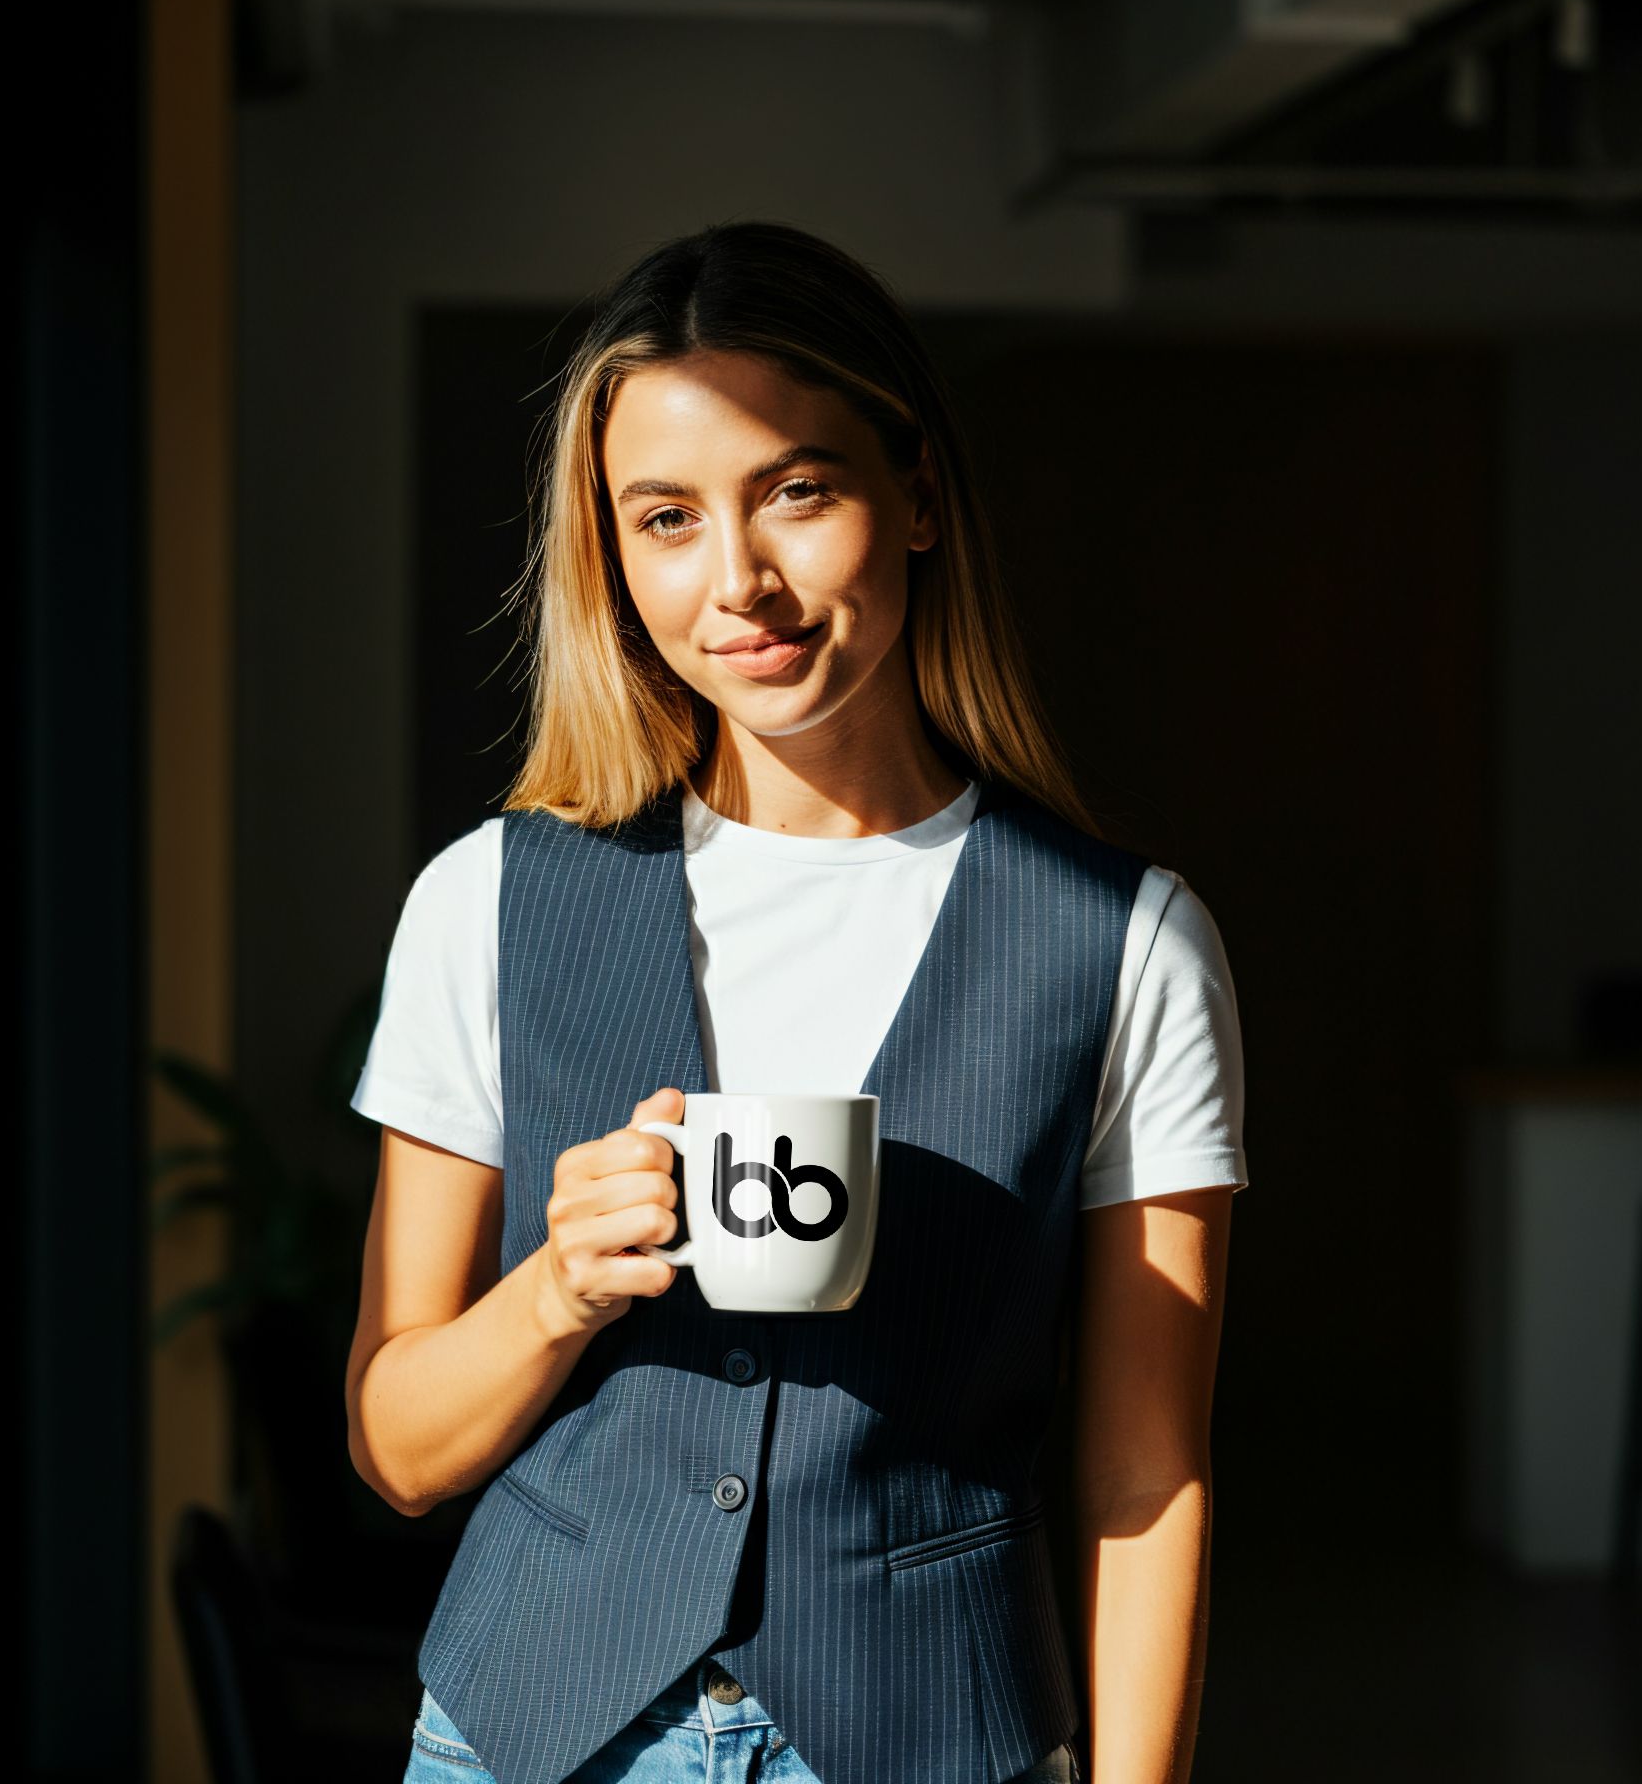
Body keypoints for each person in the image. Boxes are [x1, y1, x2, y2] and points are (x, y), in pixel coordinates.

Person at [345, 220, 1247, 1784]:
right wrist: (558, 1286)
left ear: (916, 494)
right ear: (611, 558)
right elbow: (397, 1449)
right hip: (527, 1739)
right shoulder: (486, 904)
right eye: (667, 520)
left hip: (927, 1738)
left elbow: (1142, 1473)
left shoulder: (1129, 945)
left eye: (797, 493)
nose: (736, 584)